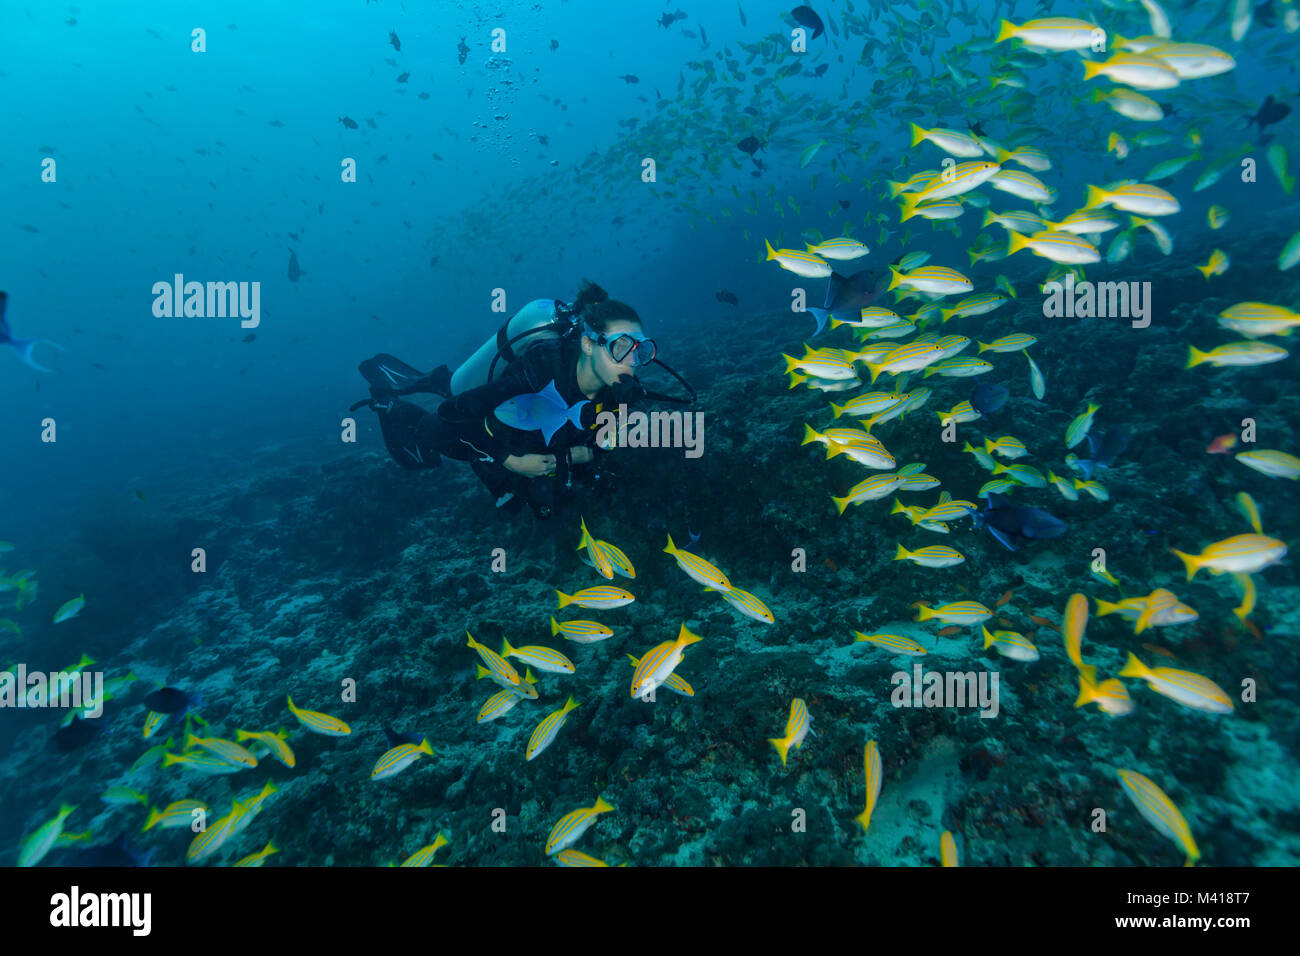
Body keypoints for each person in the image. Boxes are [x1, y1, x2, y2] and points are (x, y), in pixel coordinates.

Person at [353, 281, 655, 519]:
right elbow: (443, 421)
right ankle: (388, 403)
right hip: (480, 431)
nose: (631, 363)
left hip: (519, 431)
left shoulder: (618, 391)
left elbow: (602, 443)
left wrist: (579, 458)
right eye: (621, 348)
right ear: (588, 344)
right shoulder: (538, 374)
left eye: (641, 352)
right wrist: (512, 462)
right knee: (420, 453)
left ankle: (441, 380)